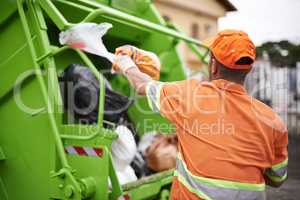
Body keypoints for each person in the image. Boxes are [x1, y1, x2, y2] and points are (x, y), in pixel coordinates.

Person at [113, 30, 288, 200]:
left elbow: (142, 85)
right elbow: (277, 178)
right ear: (248, 68)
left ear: (213, 65)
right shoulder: (273, 121)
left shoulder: (189, 95)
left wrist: (126, 62)